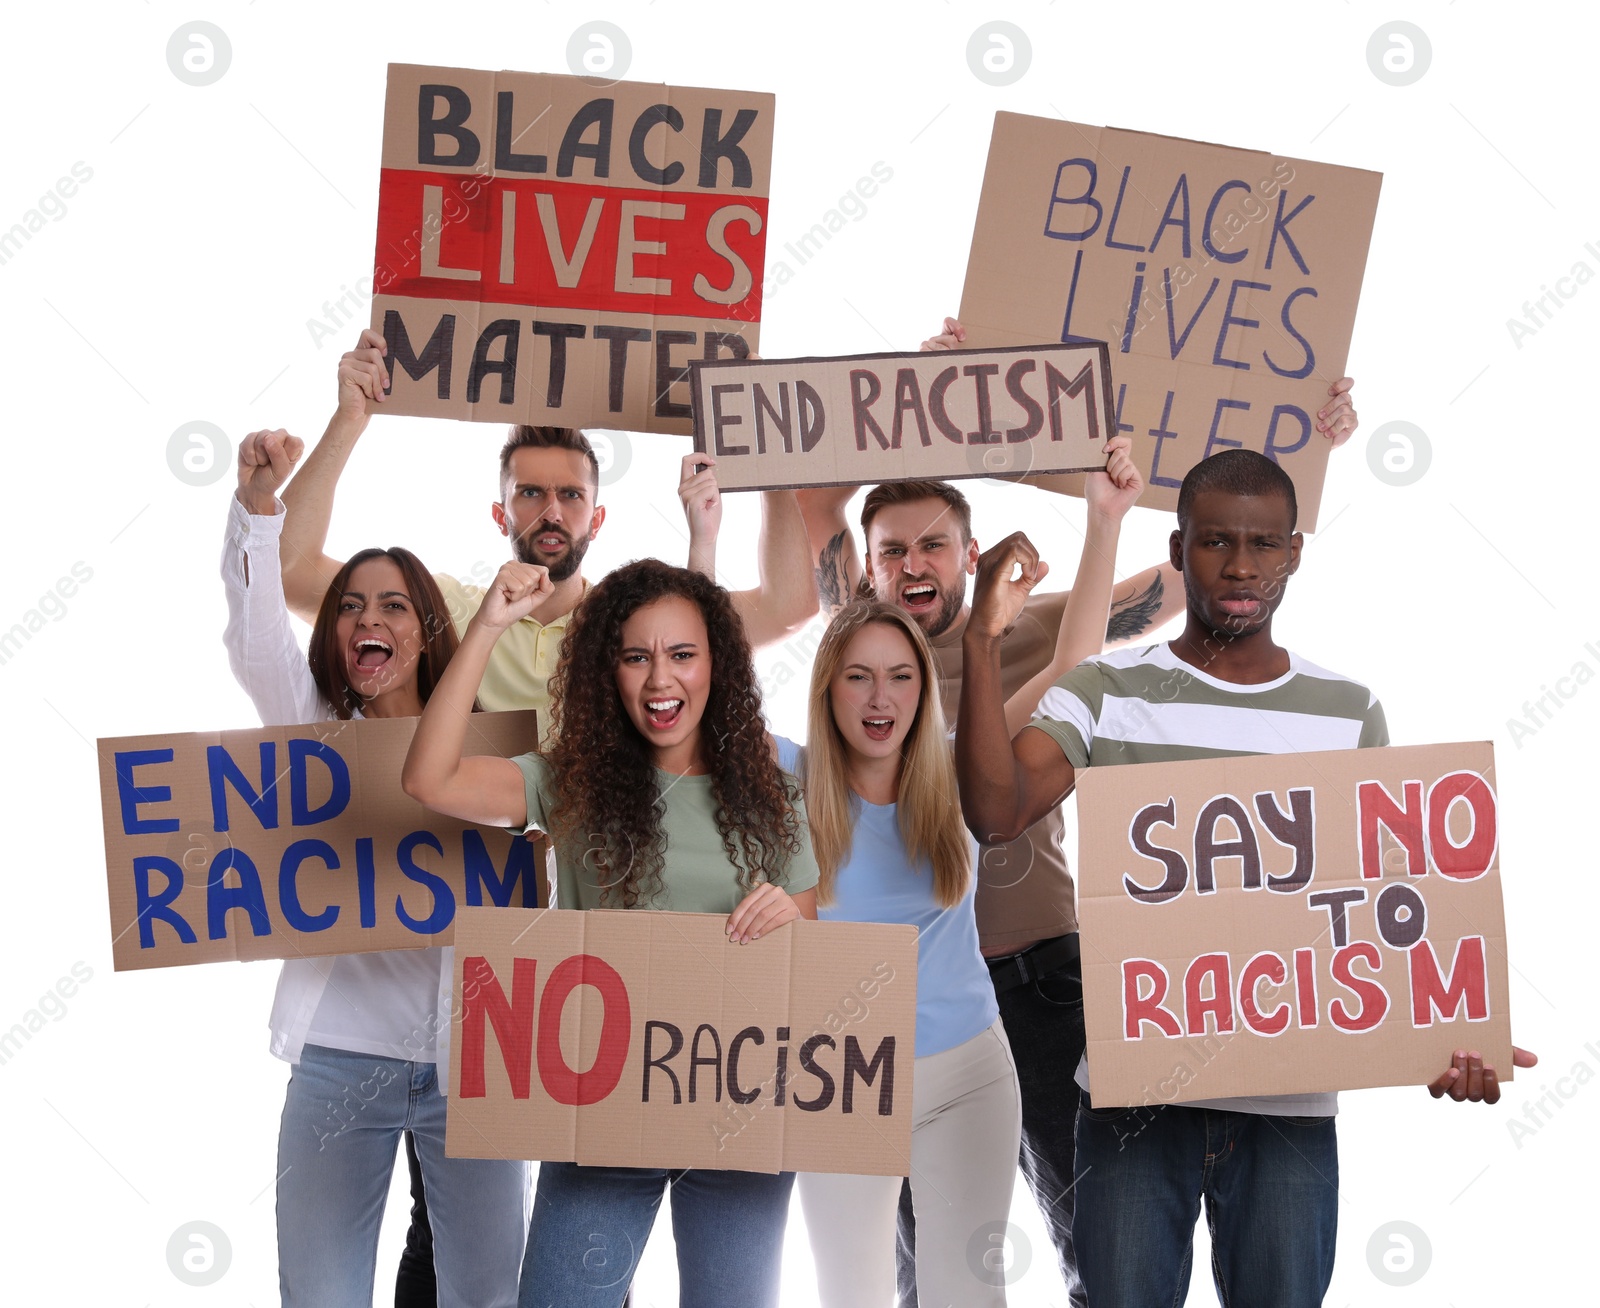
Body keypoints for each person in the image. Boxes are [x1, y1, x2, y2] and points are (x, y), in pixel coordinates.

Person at [795, 316, 1363, 1305]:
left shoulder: (1038, 629)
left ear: (970, 553)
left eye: (935, 544)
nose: (913, 565)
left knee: (1097, 1236)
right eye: (893, 552)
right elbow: (811, 499)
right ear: (870, 567)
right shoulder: (857, 649)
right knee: (924, 1255)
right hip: (902, 997)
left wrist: (1302, 449)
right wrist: (902, 403)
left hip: (1041, 974)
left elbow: (1208, 576)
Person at [954, 447, 1537, 1307]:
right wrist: (980, 638)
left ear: (1294, 552)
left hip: (1290, 1111)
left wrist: (1442, 1038)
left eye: (1263, 547)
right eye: (1217, 542)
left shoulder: (1348, 711)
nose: (1240, 568)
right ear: (1180, 545)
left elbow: (1388, 907)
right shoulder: (1105, 690)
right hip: (1132, 1105)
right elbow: (994, 814)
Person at [401, 555, 820, 1308]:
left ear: (716, 665)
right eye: (637, 657)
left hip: (737, 1117)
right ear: (608, 671)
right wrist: (490, 625)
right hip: (605, 1109)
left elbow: (812, 969)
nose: (661, 680)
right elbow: (429, 780)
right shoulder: (571, 784)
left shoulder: (776, 800)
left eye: (683, 655)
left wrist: (794, 920)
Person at [225, 428, 528, 1308]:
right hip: (338, 1061)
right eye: (352, 605)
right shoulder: (313, 728)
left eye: (393, 606)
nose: (368, 620)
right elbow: (253, 640)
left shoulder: (487, 748)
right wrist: (255, 512)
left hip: (472, 1064)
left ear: (425, 628)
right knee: (320, 1294)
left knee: (488, 1296)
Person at [277, 331, 818, 719]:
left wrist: (764, 458)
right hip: (470, 864)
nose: (552, 512)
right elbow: (289, 574)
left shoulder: (634, 621)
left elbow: (789, 609)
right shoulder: (444, 608)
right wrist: (349, 418)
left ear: (597, 519)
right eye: (531, 493)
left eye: (571, 495)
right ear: (500, 514)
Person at [781, 599, 1019, 1307]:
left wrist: (1103, 524)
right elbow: (698, 694)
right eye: (858, 677)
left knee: (967, 1295)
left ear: (925, 687)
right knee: (852, 1294)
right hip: (840, 1077)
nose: (881, 697)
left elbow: (1074, 664)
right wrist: (704, 535)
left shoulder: (962, 774)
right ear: (827, 687)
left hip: (966, 1073)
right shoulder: (785, 778)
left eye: (900, 676)